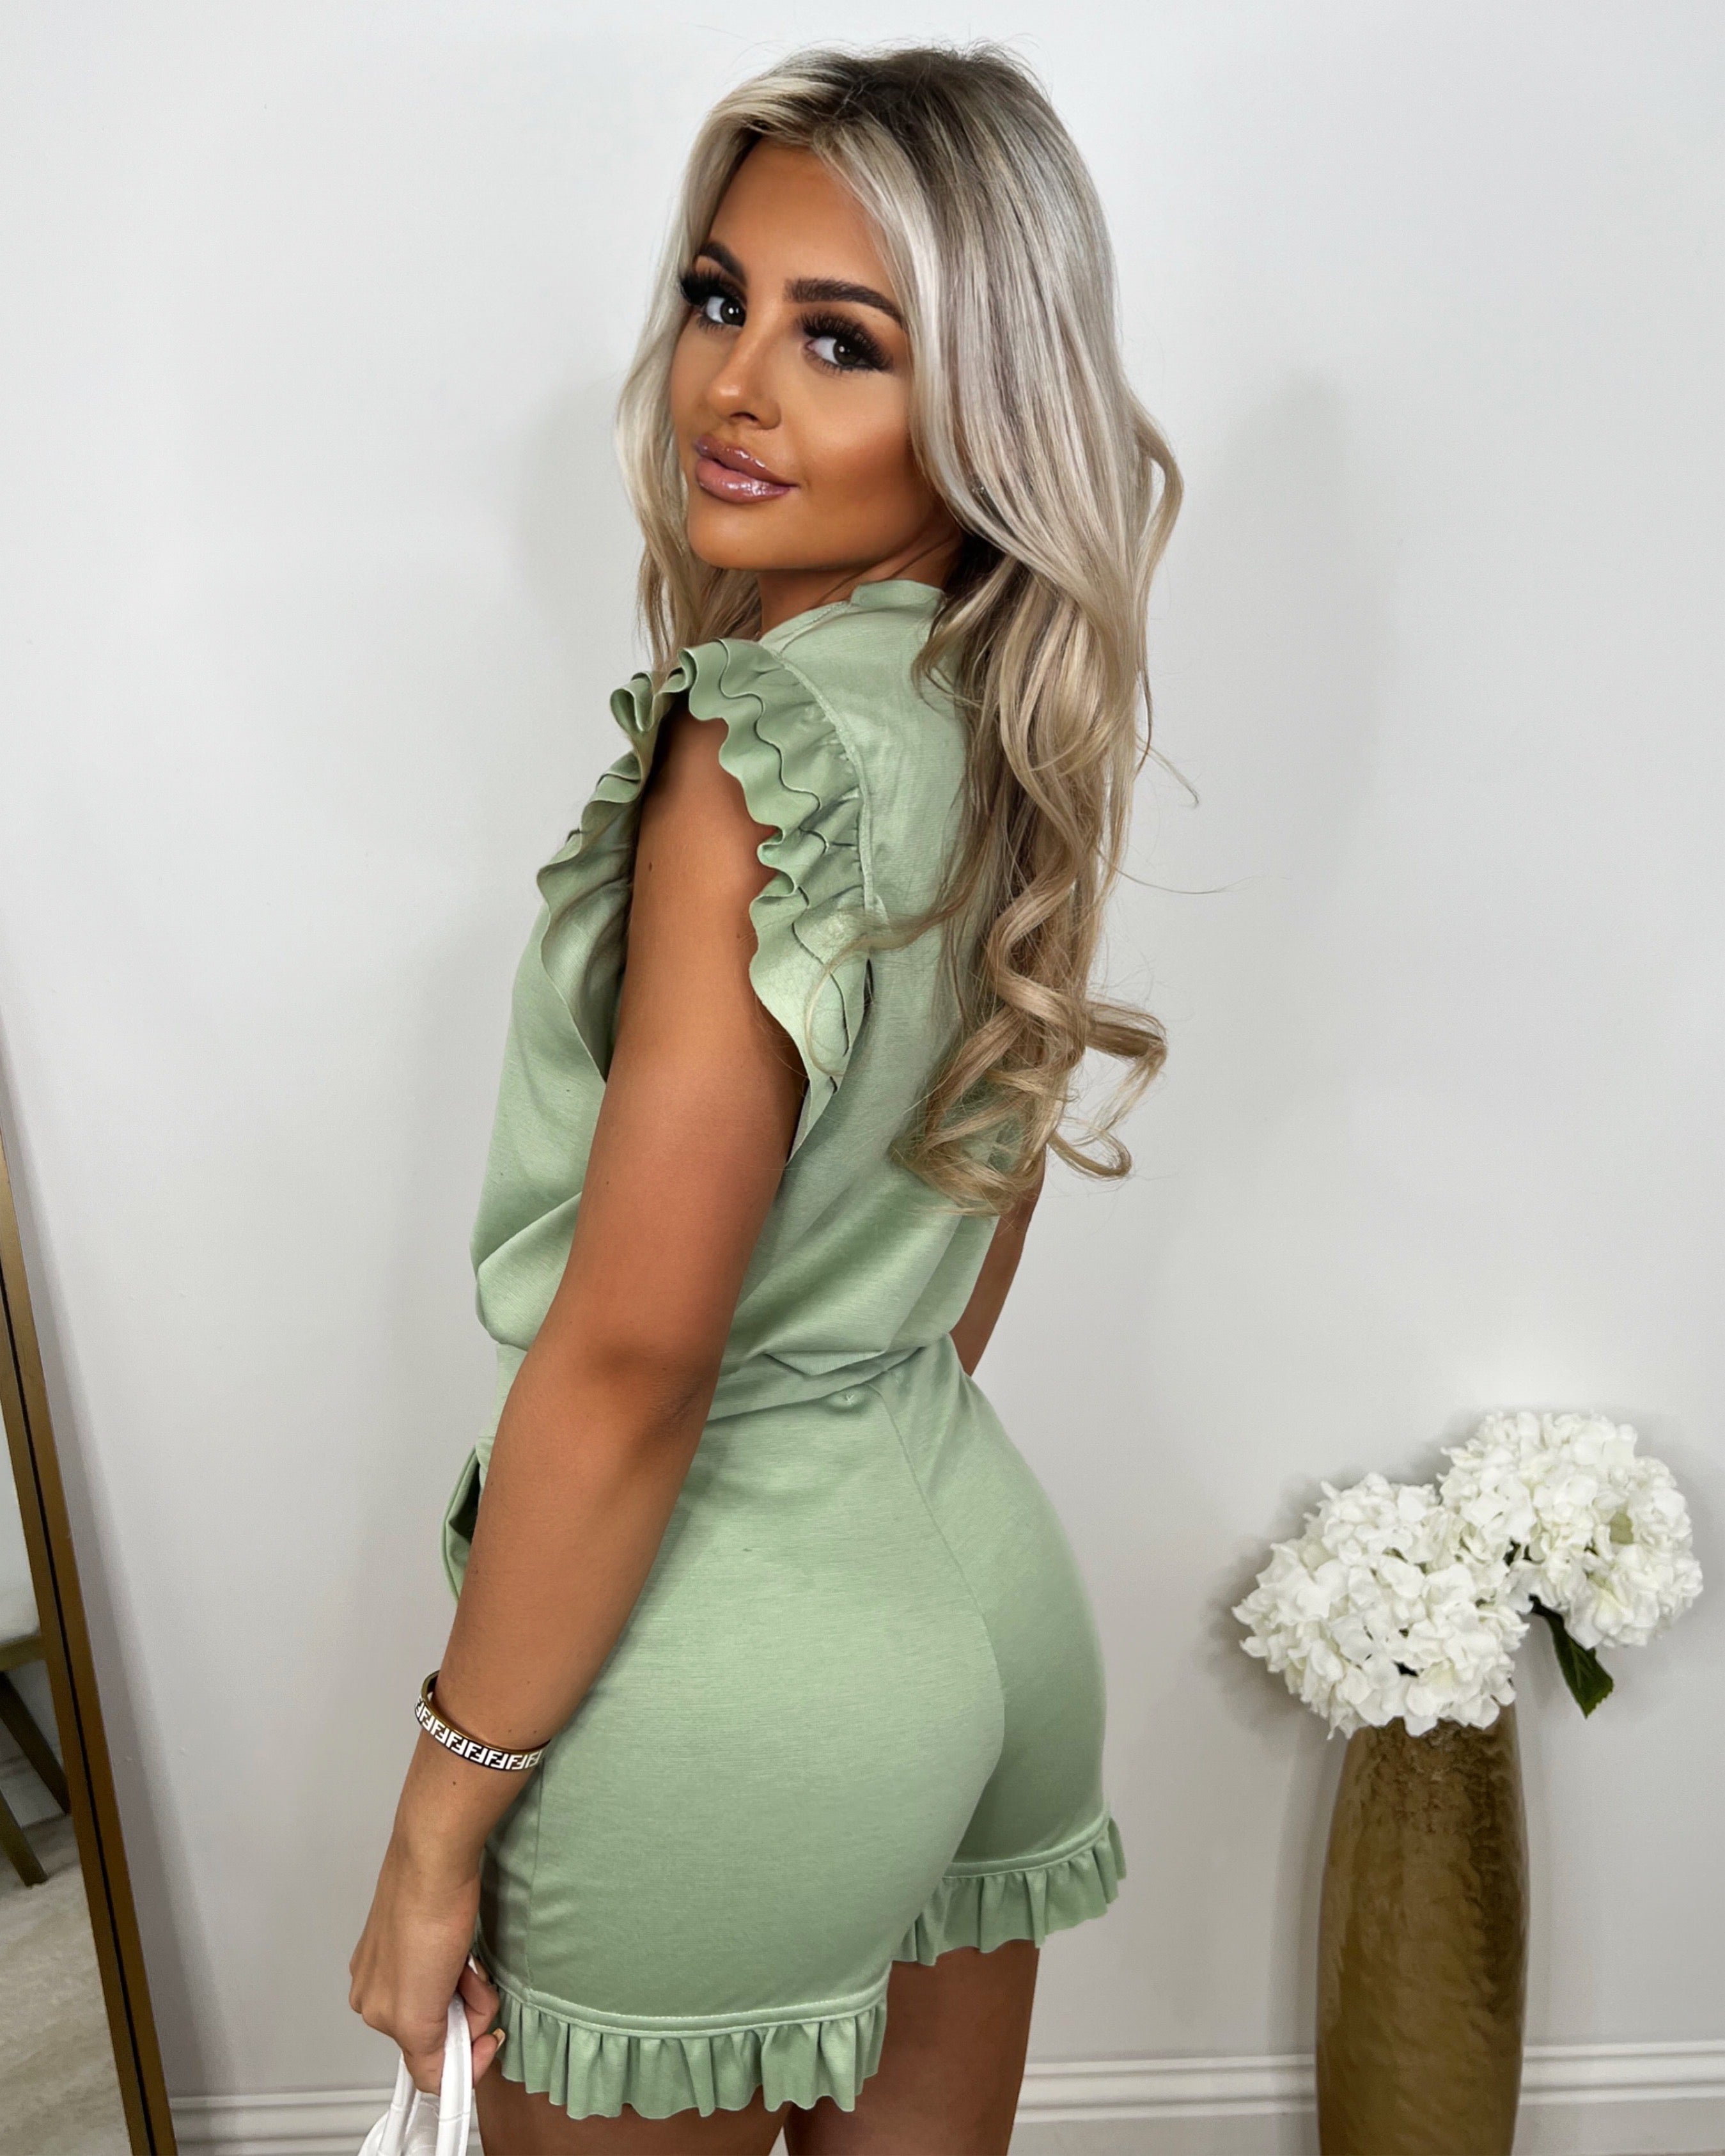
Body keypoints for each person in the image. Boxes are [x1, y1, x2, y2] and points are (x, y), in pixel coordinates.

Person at [349, 42, 1180, 2155]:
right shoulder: (1008, 717)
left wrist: (440, 1815)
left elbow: (636, 1352)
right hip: (970, 1573)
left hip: (736, 1666)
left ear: (985, 399)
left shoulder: (752, 750)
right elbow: (969, 1242)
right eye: (722, 300)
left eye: (841, 342)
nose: (734, 386)